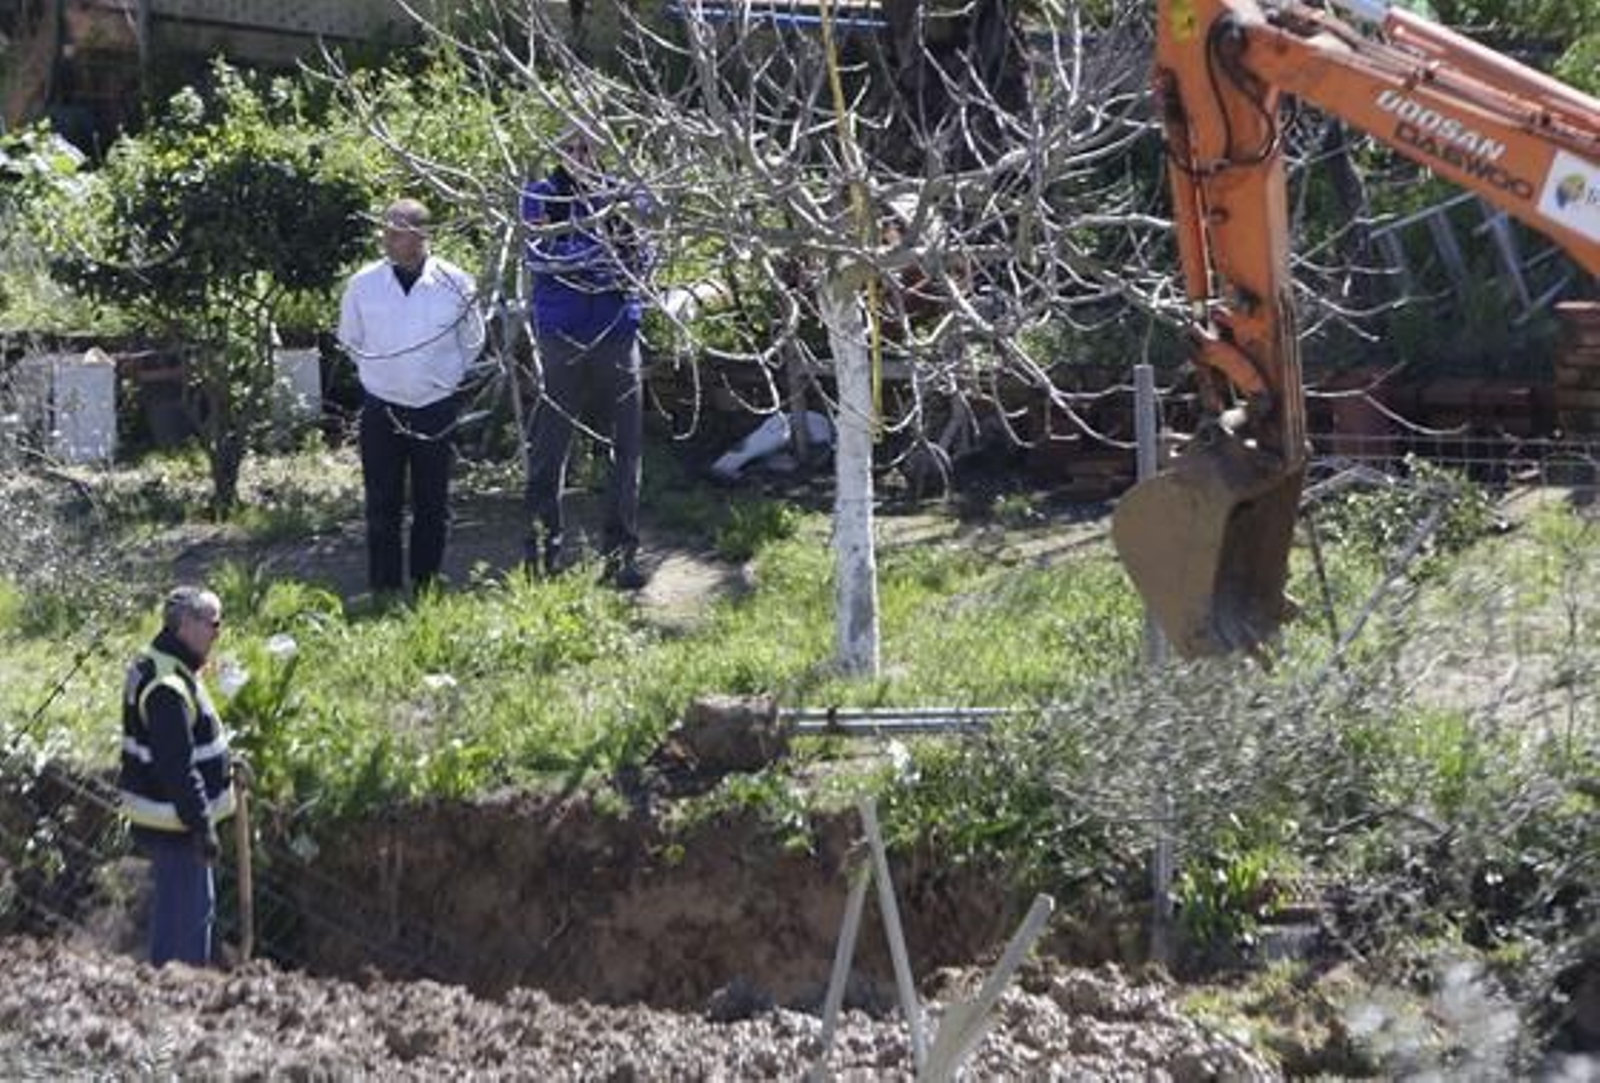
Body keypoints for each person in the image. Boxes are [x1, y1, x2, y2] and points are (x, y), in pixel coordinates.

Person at [522, 130, 654, 590]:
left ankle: (621, 558)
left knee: (627, 448)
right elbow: (543, 256)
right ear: (558, 152)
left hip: (617, 331)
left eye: (589, 148)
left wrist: (600, 256)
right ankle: (542, 556)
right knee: (550, 447)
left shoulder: (620, 195)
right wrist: (603, 255)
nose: (581, 156)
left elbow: (644, 259)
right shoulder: (542, 194)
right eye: (572, 148)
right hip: (563, 335)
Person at [338, 198, 485, 595]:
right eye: (385, 230)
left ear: (422, 236)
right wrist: (381, 376)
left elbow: (472, 341)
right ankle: (384, 588)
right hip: (381, 405)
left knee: (432, 502)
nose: (387, 238)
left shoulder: (456, 283)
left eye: (397, 231)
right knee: (381, 501)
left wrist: (444, 381)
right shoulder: (363, 284)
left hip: (435, 406)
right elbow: (350, 339)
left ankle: (426, 583)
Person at [117, 586, 236, 967]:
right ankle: (176, 1000)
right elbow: (176, 767)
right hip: (177, 824)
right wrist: (202, 826)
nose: (218, 633)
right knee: (187, 925)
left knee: (180, 913)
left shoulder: (163, 663)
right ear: (186, 625)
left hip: (171, 819)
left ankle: (168, 993)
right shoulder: (168, 687)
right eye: (213, 624)